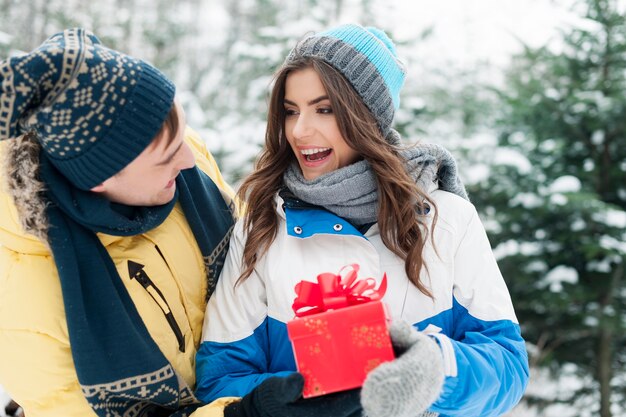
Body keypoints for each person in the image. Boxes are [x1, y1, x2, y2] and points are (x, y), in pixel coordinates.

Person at [195, 24, 529, 417]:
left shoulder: (446, 219)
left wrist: (436, 369)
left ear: (367, 116)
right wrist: (288, 405)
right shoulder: (264, 228)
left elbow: (507, 365)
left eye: (325, 109)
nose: (300, 131)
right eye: (290, 111)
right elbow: (220, 378)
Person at [0, 28, 241, 416]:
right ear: (99, 179)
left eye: (183, 134)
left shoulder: (177, 158)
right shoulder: (22, 302)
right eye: (167, 157)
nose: (188, 161)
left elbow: (250, 254)